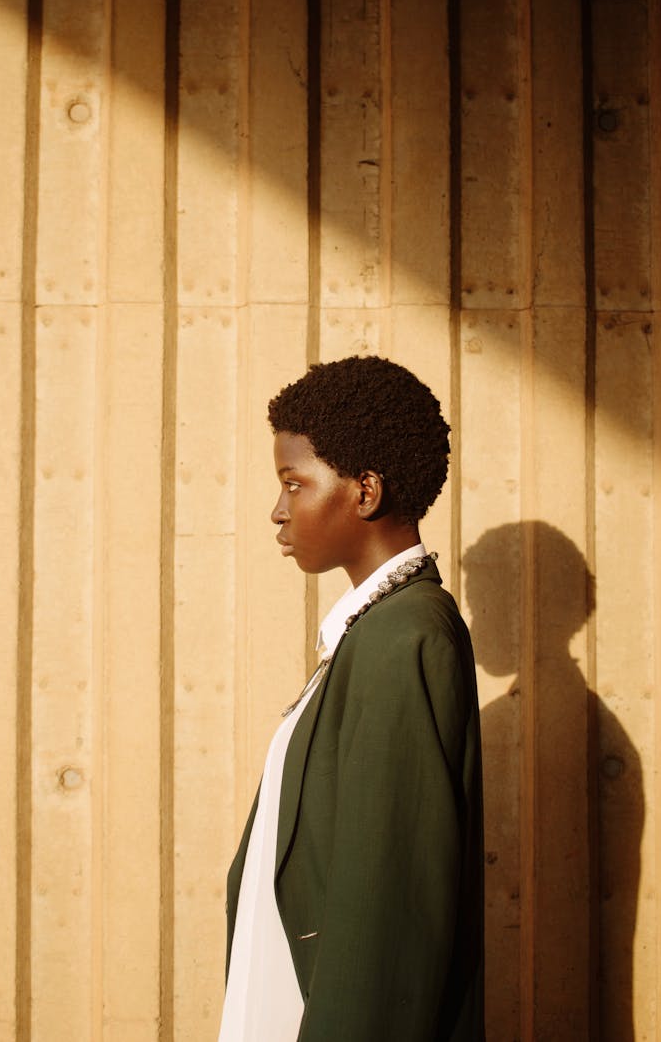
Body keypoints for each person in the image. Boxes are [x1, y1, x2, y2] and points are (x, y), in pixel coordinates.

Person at [218, 355, 485, 1041]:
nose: (278, 510)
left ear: (364, 491)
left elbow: (388, 908)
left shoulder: (405, 638)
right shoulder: (371, 635)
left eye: (293, 483)